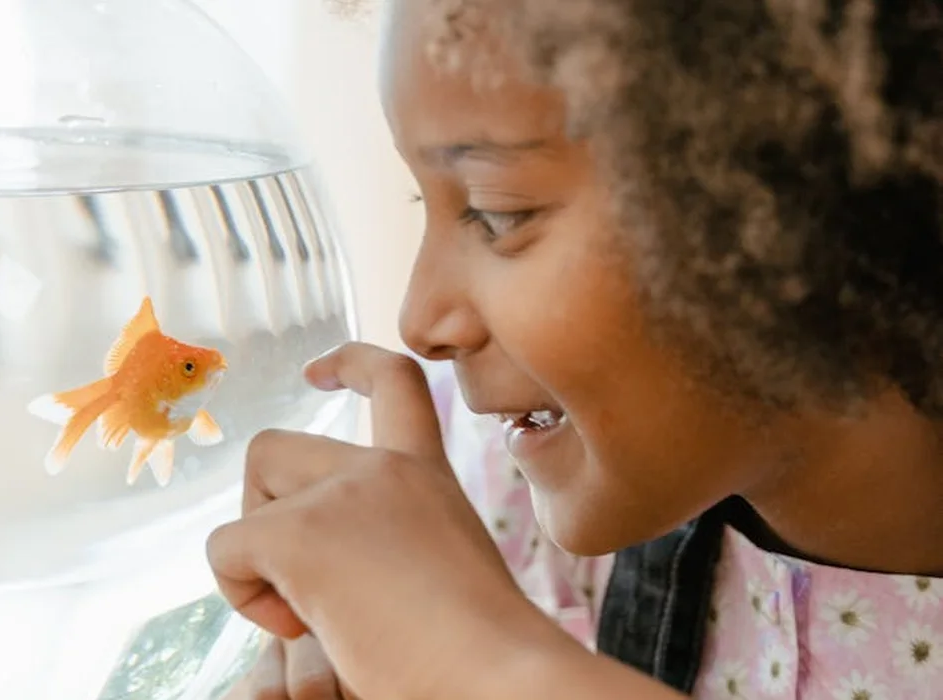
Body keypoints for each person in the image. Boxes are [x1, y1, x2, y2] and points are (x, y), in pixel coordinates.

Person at [211, 0, 943, 697]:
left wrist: (479, 658)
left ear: (794, 205)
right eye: (421, 204)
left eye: (498, 215)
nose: (419, 320)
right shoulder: (484, 485)